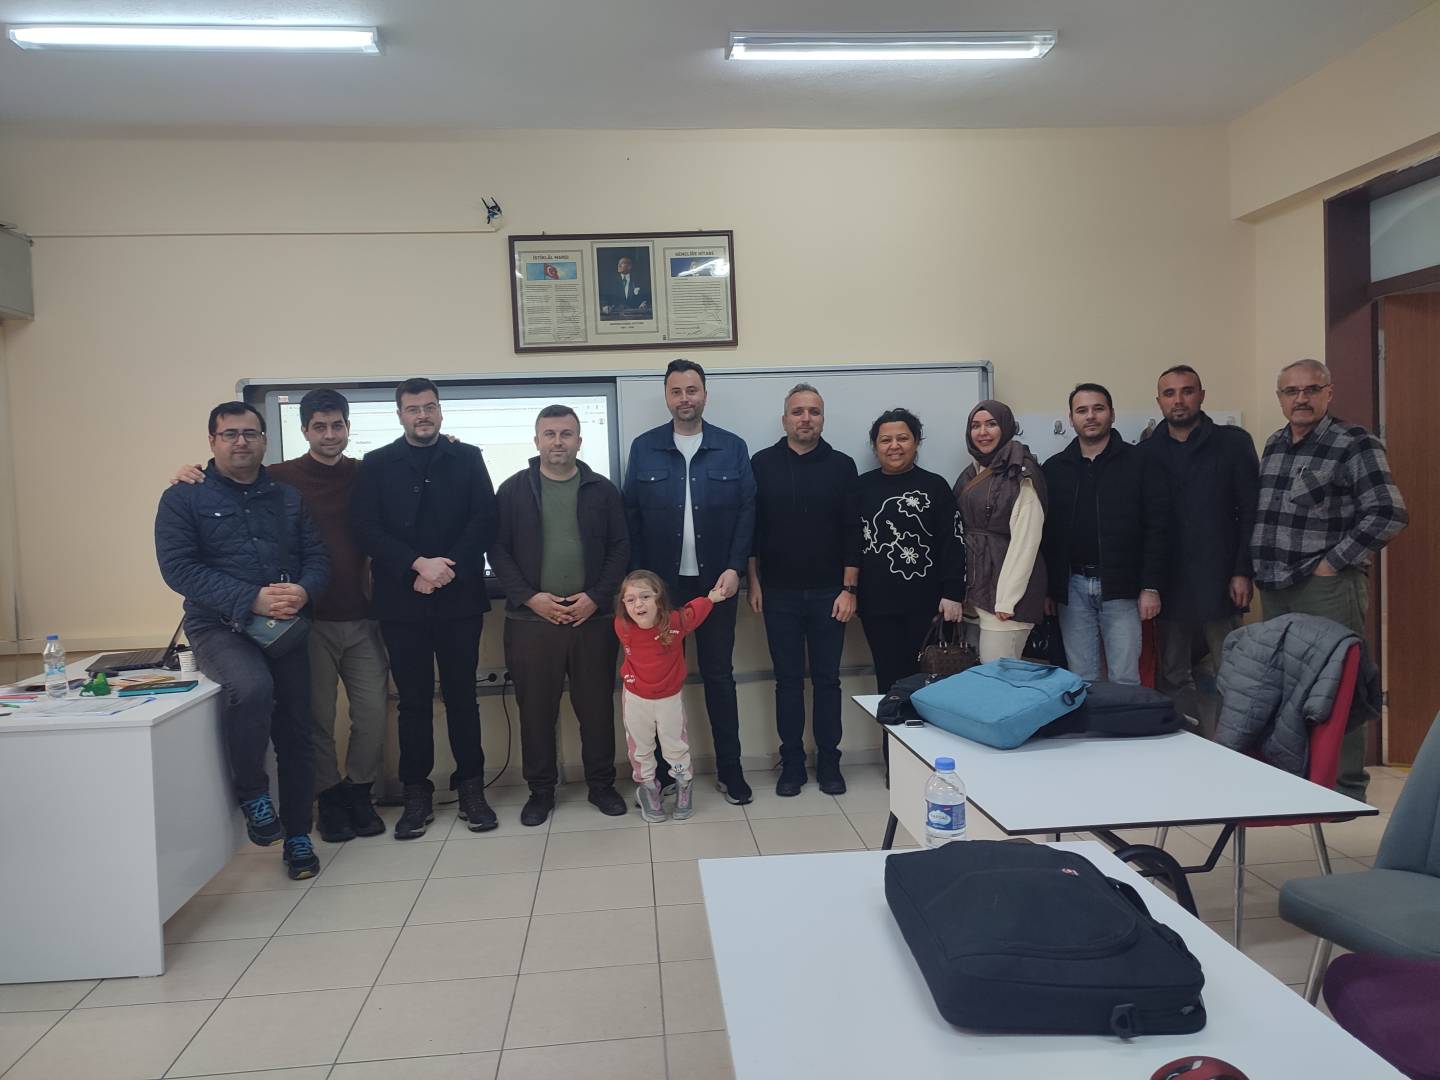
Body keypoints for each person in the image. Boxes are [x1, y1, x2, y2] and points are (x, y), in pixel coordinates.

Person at [168, 389, 390, 843]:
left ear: (349, 428)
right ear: (303, 430)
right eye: (319, 426)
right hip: (299, 622)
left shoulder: (357, 477)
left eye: (337, 425)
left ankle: (352, 798)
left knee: (366, 715)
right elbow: (223, 488)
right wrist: (189, 474)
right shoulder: (275, 480)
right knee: (310, 718)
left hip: (355, 614)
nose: (330, 434)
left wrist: (448, 441)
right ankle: (325, 801)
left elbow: (409, 471)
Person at [155, 401, 329, 880]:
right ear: (212, 441)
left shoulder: (288, 498)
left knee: (297, 730)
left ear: (264, 440)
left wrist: (304, 590)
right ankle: (252, 793)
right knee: (252, 689)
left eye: (250, 433)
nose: (241, 442)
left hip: (284, 627)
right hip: (219, 626)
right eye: (229, 434)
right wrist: (250, 598)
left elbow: (317, 557)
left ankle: (298, 835)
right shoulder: (183, 498)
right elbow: (178, 568)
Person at [1252, 358, 1407, 800]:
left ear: (1329, 393)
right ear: (1280, 398)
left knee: (1337, 684)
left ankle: (1344, 787)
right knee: (1288, 689)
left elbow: (1389, 512)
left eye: (1311, 389)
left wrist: (1333, 563)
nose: (1301, 399)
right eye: (1291, 391)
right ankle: (1298, 782)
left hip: (1326, 587)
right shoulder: (1275, 444)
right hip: (1275, 586)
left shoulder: (1354, 443)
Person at [352, 378, 500, 839]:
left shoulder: (467, 457)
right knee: (413, 703)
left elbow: (485, 518)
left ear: (440, 411)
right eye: (413, 408)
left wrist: (444, 569)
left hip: (459, 599)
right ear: (399, 415)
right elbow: (367, 528)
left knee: (463, 698)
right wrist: (416, 565)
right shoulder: (377, 463)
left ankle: (471, 789)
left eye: (429, 407)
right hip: (403, 602)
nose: (422, 415)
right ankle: (416, 794)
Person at [490, 405, 630, 826]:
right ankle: (540, 792)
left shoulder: (602, 491)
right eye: (549, 434)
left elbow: (621, 548)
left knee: (596, 708)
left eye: (566, 434)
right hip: (532, 622)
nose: (557, 442)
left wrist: (596, 597)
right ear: (536, 441)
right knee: (536, 711)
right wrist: (530, 598)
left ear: (579, 441)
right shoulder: (512, 490)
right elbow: (497, 550)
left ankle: (601, 785)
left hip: (593, 620)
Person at [623, 358, 756, 804]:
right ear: (667, 396)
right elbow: (631, 516)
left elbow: (747, 512)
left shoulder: (731, 447)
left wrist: (735, 567)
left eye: (692, 390)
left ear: (704, 394)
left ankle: (731, 771)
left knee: (719, 676)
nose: (685, 398)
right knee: (658, 685)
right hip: (661, 592)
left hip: (716, 587)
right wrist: (640, 587)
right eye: (677, 391)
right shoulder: (644, 447)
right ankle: (662, 776)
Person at [748, 383, 860, 796]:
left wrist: (849, 589)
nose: (806, 418)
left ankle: (830, 763)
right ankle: (792, 764)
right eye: (798, 412)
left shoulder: (842, 465)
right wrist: (754, 581)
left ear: (822, 419)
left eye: (813, 411)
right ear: (785, 419)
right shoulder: (761, 463)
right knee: (788, 683)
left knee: (828, 682)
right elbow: (753, 529)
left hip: (831, 593)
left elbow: (853, 532)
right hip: (778, 593)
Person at [1140, 366, 1259, 737]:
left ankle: (1232, 745)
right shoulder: (1146, 452)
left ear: (1201, 395)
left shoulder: (1232, 443)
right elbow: (1145, 524)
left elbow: (1250, 511)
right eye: (1169, 393)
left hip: (1221, 577)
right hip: (1169, 582)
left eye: (1187, 391)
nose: (1179, 400)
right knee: (1173, 672)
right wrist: (1148, 583)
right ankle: (1185, 743)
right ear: (1159, 401)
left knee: (1232, 671)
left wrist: (1243, 570)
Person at [1041, 383, 1169, 684]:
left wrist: (1151, 586)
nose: (1090, 416)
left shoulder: (1140, 462)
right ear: (1071, 418)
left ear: (1112, 414)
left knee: (1125, 676)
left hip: (1123, 587)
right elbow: (1047, 536)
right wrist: (1050, 589)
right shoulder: (1055, 468)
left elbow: (1158, 527)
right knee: (1082, 678)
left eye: (1098, 408)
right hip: (1072, 587)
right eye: (1082, 410)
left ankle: (1123, 718)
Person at [855, 407, 966, 696]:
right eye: (885, 440)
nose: (894, 446)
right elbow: (851, 543)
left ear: (916, 442)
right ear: (875, 446)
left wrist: (953, 593)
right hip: (877, 607)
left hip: (928, 606)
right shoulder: (860, 487)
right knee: (889, 683)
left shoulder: (935, 486)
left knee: (931, 686)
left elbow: (953, 542)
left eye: (902, 438)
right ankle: (892, 728)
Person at [615, 570, 727, 822]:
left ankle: (683, 784)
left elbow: (695, 611)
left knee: (675, 746)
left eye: (645, 596)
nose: (638, 604)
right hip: (636, 699)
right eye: (630, 600)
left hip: (669, 699)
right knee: (640, 748)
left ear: (659, 598)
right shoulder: (622, 626)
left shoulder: (676, 621)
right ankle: (648, 787)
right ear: (623, 605)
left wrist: (711, 598)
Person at [953, 400, 1048, 662]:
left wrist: (1007, 600)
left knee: (998, 675)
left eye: (991, 424)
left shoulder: (1021, 471)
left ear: (1006, 427)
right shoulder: (971, 472)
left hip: (1005, 597)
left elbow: (1026, 541)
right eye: (976, 426)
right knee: (978, 677)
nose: (982, 432)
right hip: (976, 590)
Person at [599, 254, 651, 318]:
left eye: (622, 263)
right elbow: (604, 296)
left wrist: (644, 303)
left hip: (635, 314)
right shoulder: (611, 281)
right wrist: (604, 306)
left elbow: (646, 296)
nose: (619, 265)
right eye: (618, 264)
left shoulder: (638, 280)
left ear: (629, 266)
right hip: (615, 315)